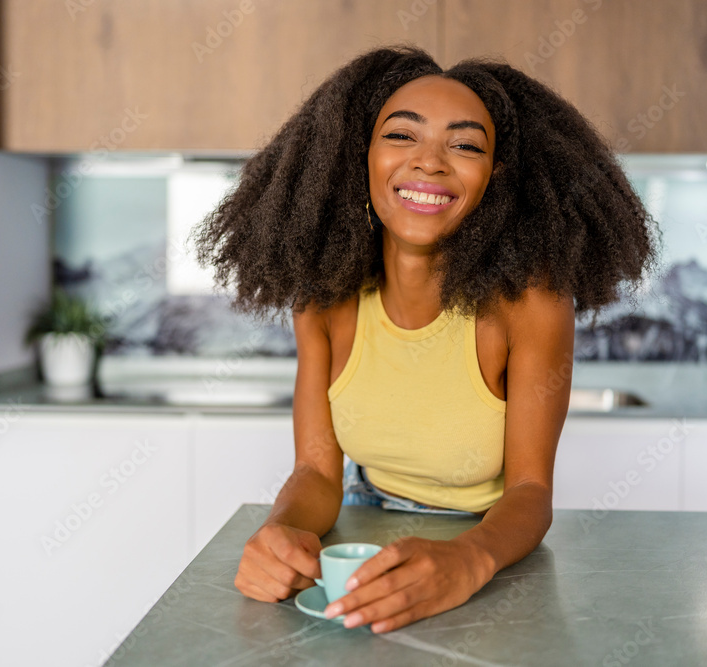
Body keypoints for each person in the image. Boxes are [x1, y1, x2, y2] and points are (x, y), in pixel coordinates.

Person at [192, 45, 659, 633]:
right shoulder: (324, 297)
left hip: (490, 544)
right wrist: (281, 530)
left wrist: (468, 560)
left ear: (497, 179)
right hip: (358, 534)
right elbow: (316, 472)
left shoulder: (532, 302)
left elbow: (531, 490)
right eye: (401, 136)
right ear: (355, 158)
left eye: (465, 145)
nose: (430, 163)